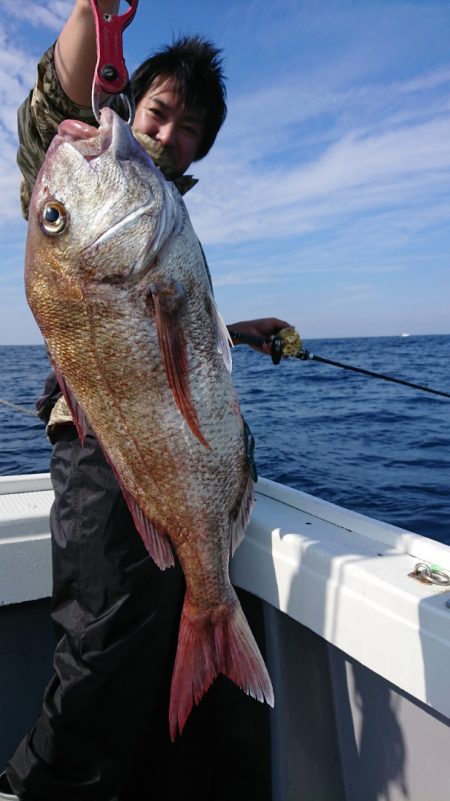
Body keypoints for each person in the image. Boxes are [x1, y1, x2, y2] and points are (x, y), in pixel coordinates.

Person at [1, 2, 292, 799]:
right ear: (131, 102)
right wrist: (92, 16)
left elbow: (151, 330)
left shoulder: (156, 214)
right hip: (106, 458)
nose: (167, 134)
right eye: (158, 111)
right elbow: (54, 101)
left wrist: (235, 330)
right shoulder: (81, 178)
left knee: (170, 673)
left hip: (172, 458)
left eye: (189, 127)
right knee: (104, 655)